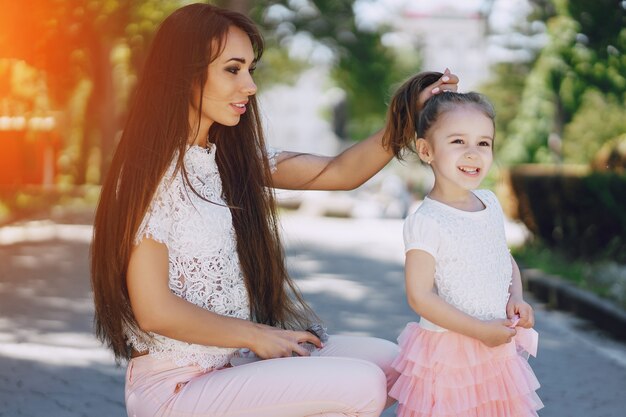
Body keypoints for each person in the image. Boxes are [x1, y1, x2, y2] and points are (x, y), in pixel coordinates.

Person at [90, 4, 459, 417]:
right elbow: (154, 310)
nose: (249, 85)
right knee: (362, 385)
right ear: (184, 74)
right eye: (233, 69)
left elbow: (338, 172)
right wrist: (256, 336)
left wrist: (409, 112)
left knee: (394, 365)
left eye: (250, 69)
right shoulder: (150, 176)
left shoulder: (231, 160)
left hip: (233, 363)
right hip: (176, 387)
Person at [381, 72, 543, 417]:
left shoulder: (489, 202)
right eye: (458, 142)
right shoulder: (427, 220)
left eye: (483, 143)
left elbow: (503, 259)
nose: (473, 153)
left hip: (494, 350)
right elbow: (419, 296)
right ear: (427, 150)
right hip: (449, 353)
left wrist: (516, 298)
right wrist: (480, 331)